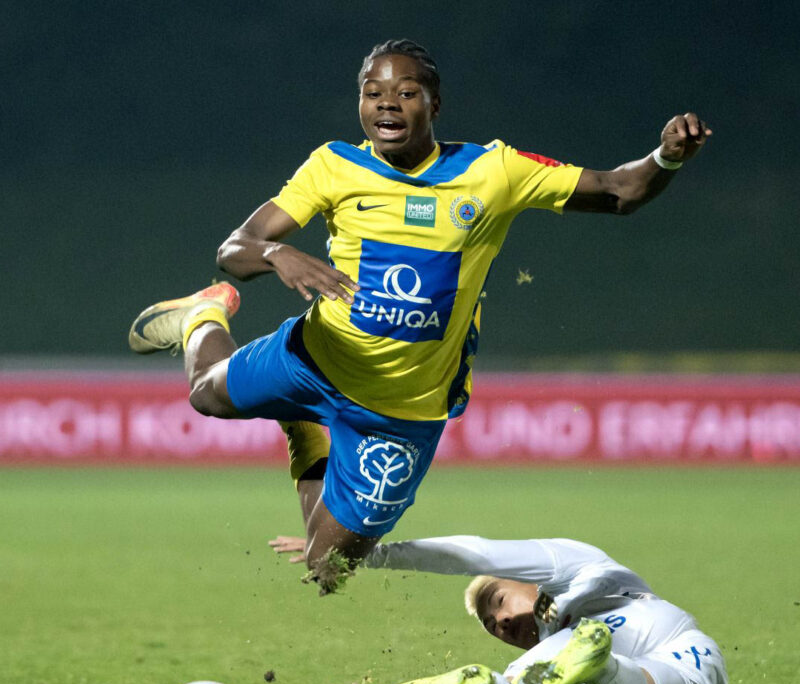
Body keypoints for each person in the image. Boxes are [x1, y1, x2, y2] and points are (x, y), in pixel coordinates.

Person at [128, 39, 712, 572]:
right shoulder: (334, 165)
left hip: (401, 411)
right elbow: (235, 249)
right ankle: (204, 314)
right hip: (313, 358)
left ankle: (304, 425)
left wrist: (665, 158)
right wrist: (277, 253)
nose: (387, 104)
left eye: (406, 92)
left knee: (326, 569)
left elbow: (618, 192)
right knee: (204, 396)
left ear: (435, 104)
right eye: (372, 93)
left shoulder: (492, 172)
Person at [308, 535, 727, 684]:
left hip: (646, 625)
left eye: (500, 600)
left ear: (526, 581)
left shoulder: (571, 569)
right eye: (492, 625)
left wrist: (362, 552)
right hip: (590, 661)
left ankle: (600, 668)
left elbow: (476, 553)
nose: (503, 621)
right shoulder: (547, 663)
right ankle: (597, 670)